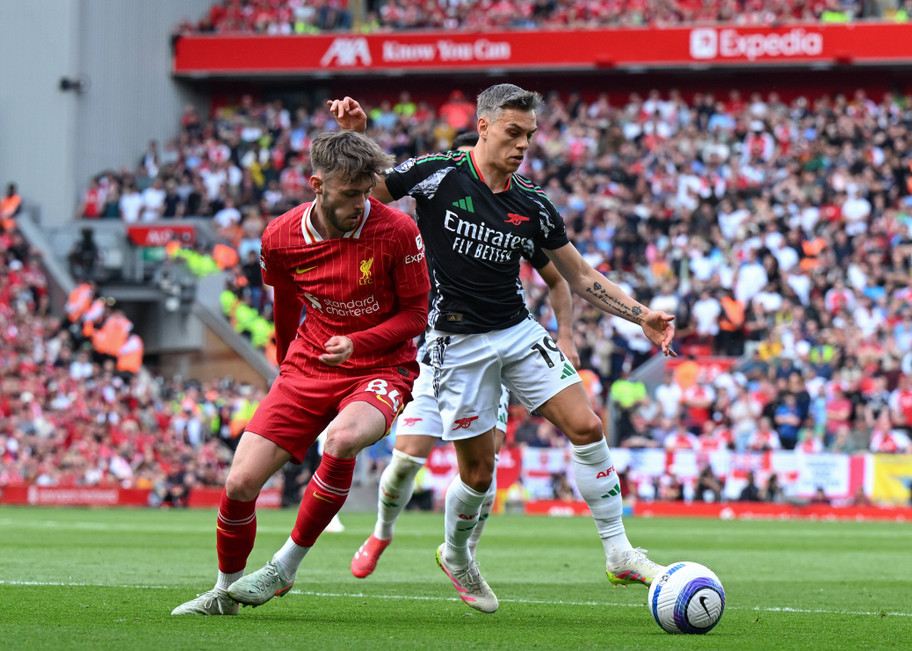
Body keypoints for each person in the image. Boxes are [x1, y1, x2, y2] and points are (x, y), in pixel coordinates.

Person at [329, 84, 676, 614]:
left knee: (587, 426)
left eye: (530, 136)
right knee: (478, 474)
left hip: (517, 332)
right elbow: (372, 189)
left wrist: (642, 314)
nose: (522, 146)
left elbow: (578, 276)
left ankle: (619, 551)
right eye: (513, 133)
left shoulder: (532, 204)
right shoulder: (439, 172)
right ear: (485, 125)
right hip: (457, 344)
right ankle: (456, 554)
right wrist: (355, 136)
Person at [172, 130, 431, 616]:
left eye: (366, 191)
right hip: (308, 364)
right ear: (317, 184)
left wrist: (359, 342)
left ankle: (284, 567)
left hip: (381, 364)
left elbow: (416, 314)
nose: (362, 203)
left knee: (342, 439)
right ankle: (225, 591)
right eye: (350, 194)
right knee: (239, 486)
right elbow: (286, 301)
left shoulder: (397, 231)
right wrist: (285, 364)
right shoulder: (281, 236)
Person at [350, 131, 581, 580]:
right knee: (406, 458)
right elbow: (372, 190)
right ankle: (381, 531)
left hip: (493, 346)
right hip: (439, 347)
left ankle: (466, 553)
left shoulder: (513, 213)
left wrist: (565, 335)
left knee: (485, 460)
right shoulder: (436, 197)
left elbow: (559, 278)